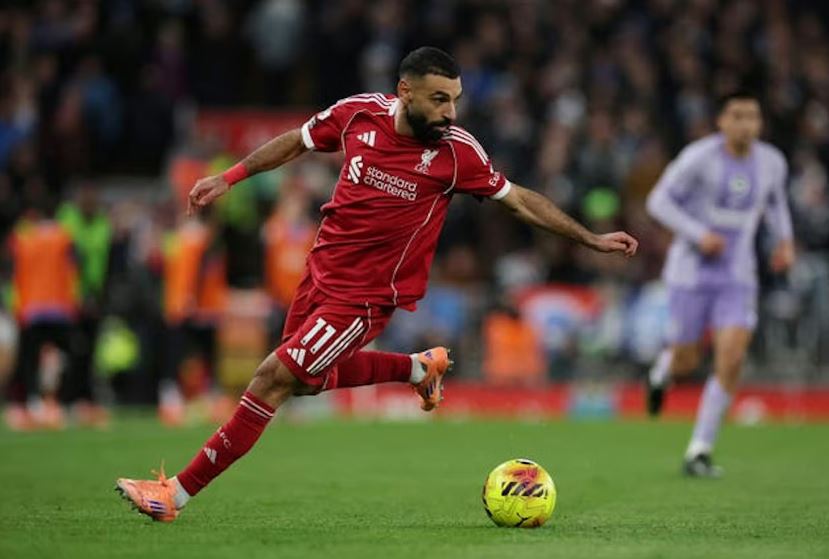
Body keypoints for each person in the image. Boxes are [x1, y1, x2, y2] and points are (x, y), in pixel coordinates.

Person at [116, 47, 637, 522]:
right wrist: (228, 177)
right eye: (439, 99)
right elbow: (297, 141)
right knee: (305, 381)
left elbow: (520, 200)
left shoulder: (458, 154)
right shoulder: (358, 114)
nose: (451, 113)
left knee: (272, 377)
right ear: (405, 92)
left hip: (365, 298)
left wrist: (589, 238)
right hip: (320, 274)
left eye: (455, 100)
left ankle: (174, 494)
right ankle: (418, 368)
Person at [645, 90, 795, 477]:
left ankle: (699, 450)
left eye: (752, 116)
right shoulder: (698, 158)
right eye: (737, 115)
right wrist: (698, 235)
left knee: (731, 358)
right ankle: (662, 371)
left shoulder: (771, 162)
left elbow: (776, 202)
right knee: (687, 360)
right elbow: (658, 201)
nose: (745, 124)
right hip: (691, 273)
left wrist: (785, 241)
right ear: (721, 121)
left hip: (737, 277)